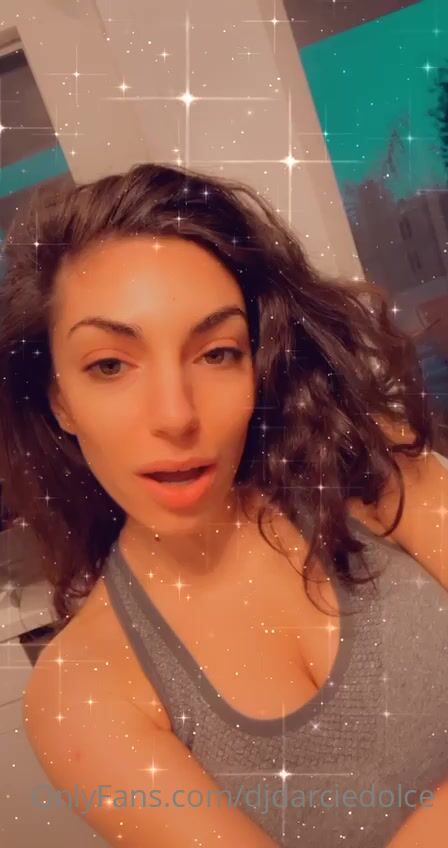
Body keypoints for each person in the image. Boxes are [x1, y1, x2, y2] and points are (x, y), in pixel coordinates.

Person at [0, 161, 446, 848]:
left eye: (216, 353)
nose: (176, 416)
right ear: (59, 399)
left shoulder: (363, 465)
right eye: (109, 365)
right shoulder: (80, 692)